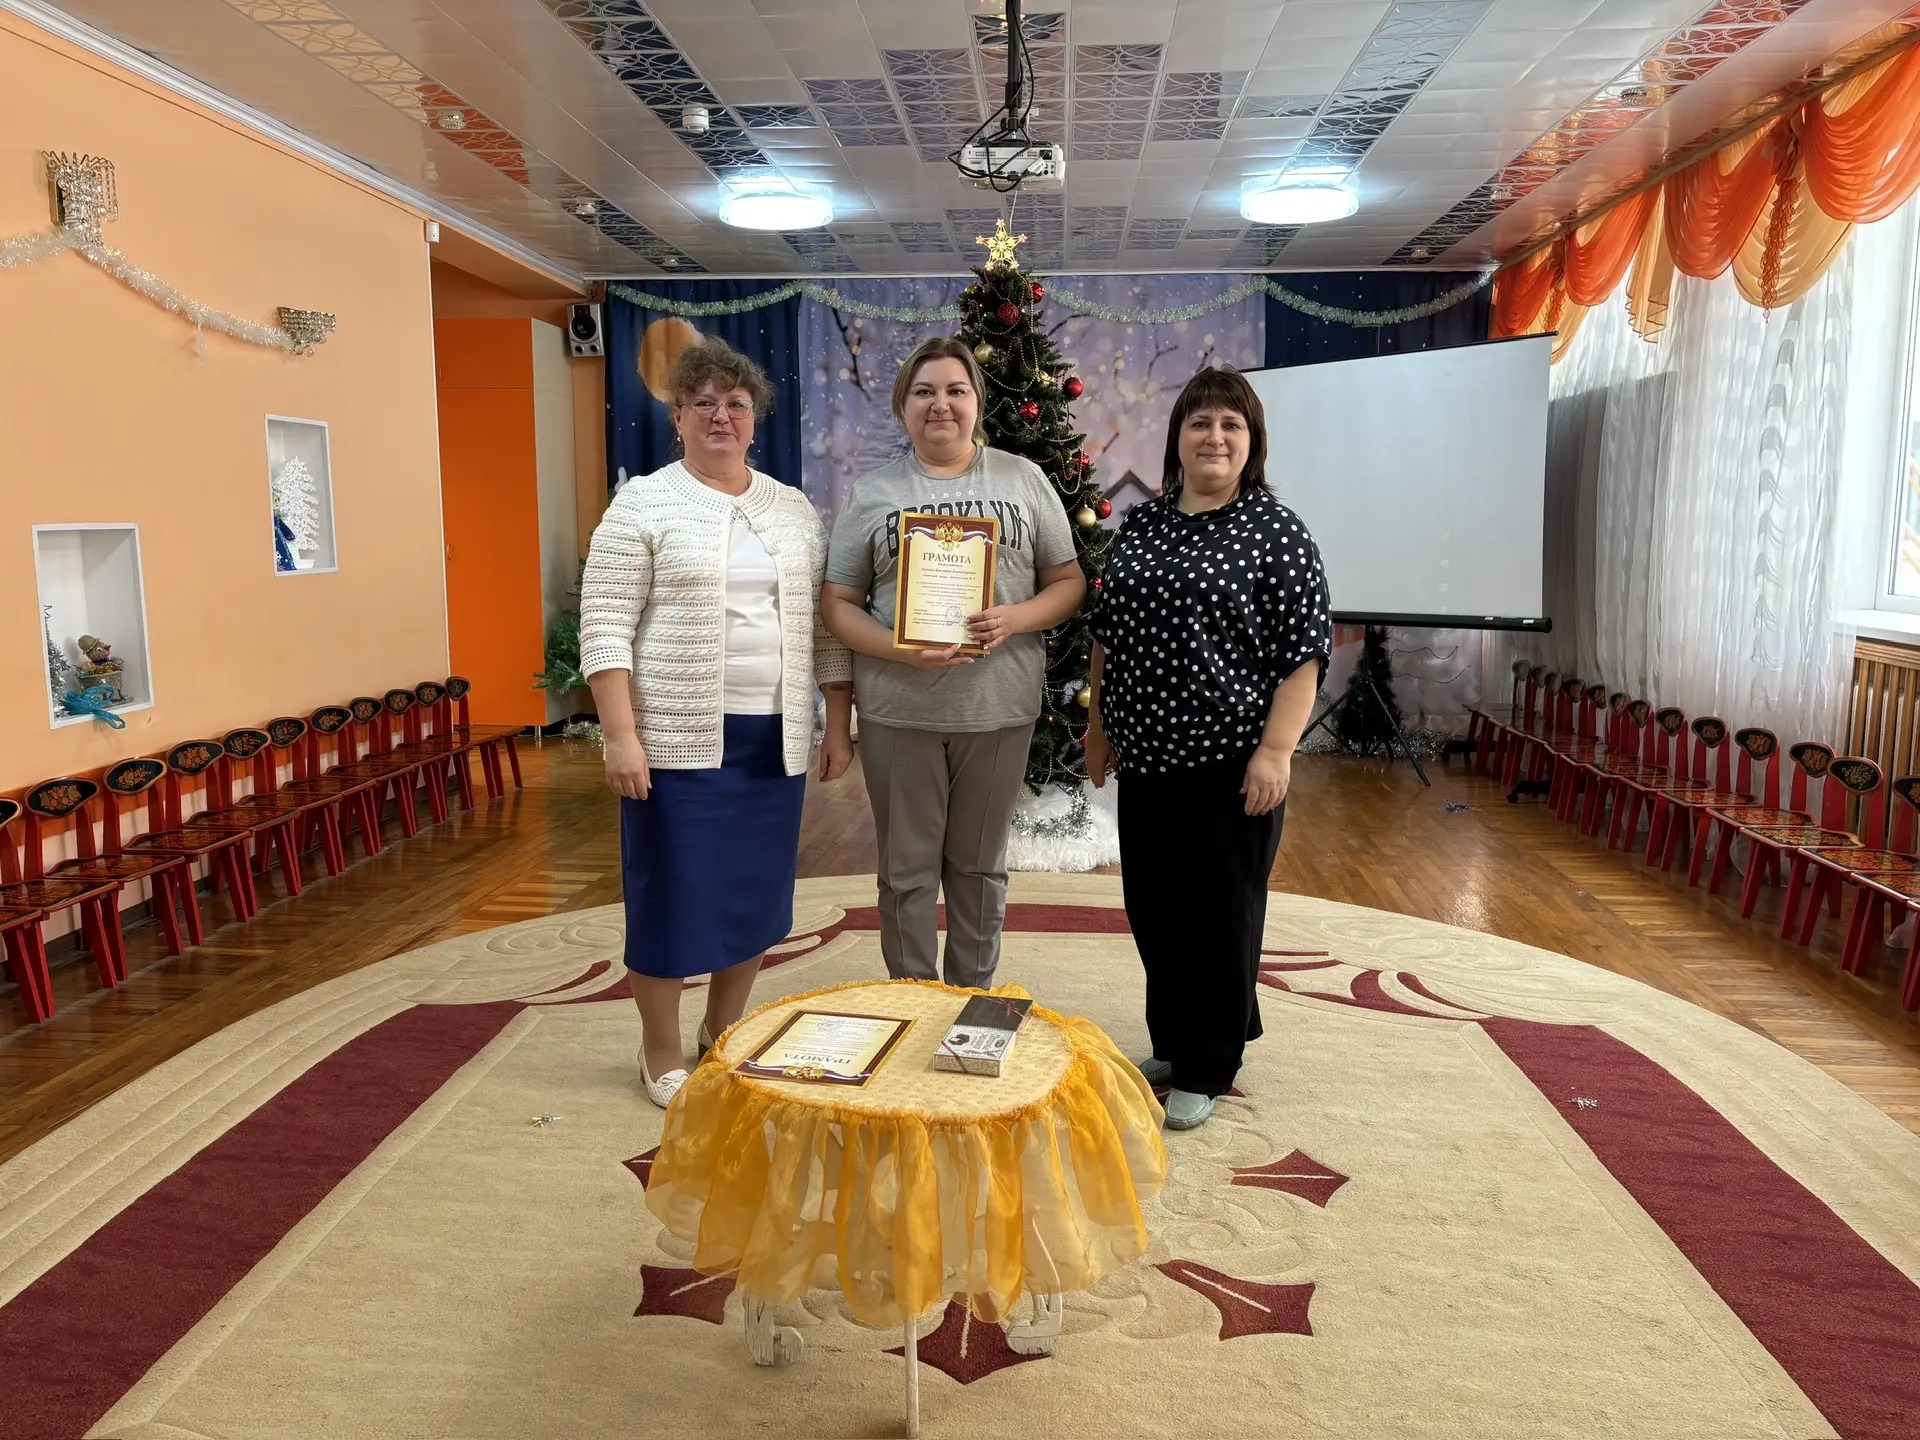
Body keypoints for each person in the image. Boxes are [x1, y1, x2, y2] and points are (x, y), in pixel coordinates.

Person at [580, 337, 853, 1107]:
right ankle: (659, 1050)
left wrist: (836, 721)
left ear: (755, 418)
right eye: (703, 403)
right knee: (669, 893)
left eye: (736, 404)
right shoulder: (644, 503)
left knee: (753, 897)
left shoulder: (791, 509)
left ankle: (722, 1031)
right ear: (678, 417)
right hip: (674, 740)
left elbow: (824, 628)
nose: (721, 416)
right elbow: (604, 624)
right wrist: (620, 735)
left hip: (771, 741)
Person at [1085, 365, 1332, 1131]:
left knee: (1218, 916)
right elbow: (1106, 634)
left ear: (1252, 441)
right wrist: (1099, 729)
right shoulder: (1144, 524)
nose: (1214, 436)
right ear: (1178, 438)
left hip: (1230, 764)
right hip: (1147, 761)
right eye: (1200, 422)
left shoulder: (1276, 532)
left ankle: (1209, 1063)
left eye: (1231, 424)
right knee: (1156, 910)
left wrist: (1276, 752)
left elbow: (1302, 655)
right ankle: (1175, 1041)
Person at [821, 337, 1085, 988]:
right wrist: (899, 649)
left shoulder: (1023, 480)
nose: (940, 404)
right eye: (924, 392)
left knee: (979, 867)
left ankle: (970, 998)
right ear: (903, 406)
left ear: (977, 402)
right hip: (897, 710)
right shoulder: (873, 493)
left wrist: (1015, 617)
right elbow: (837, 603)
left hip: (998, 709)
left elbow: (1068, 581)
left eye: (955, 390)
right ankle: (913, 999)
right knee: (905, 870)